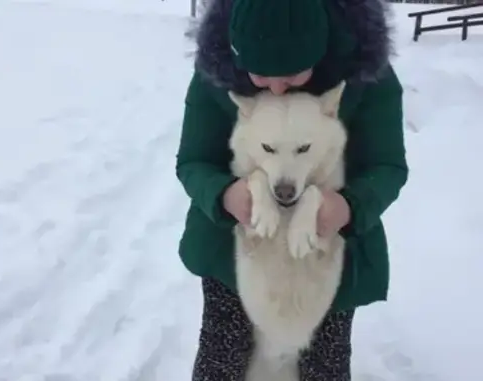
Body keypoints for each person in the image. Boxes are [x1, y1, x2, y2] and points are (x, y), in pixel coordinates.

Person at [175, 0, 409, 379]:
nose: (277, 88)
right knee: (224, 358)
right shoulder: (216, 74)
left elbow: (387, 166)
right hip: (231, 253)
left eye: (293, 73)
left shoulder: (367, 75)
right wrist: (224, 194)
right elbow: (193, 159)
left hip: (332, 256)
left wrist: (349, 206)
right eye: (260, 74)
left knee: (324, 365)